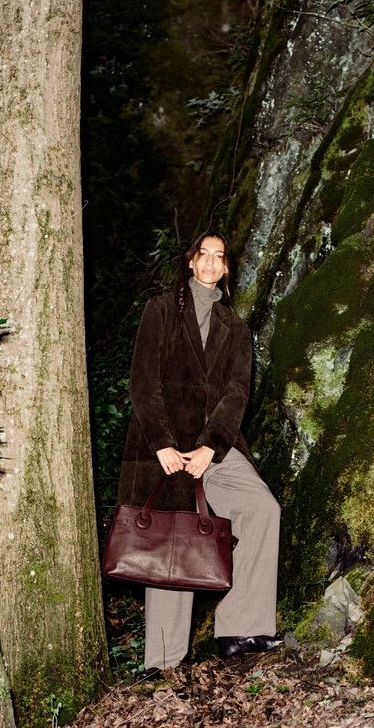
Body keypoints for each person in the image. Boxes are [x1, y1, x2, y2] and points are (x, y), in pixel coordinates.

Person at [117, 231, 281, 676]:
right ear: (190, 262)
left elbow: (236, 393)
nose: (210, 262)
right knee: (173, 540)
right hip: (166, 447)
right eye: (203, 255)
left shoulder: (236, 328)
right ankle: (163, 661)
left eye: (219, 256)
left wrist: (211, 445)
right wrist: (162, 443)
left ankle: (241, 629)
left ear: (226, 267)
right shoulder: (160, 311)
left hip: (216, 447)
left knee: (261, 509)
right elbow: (143, 383)